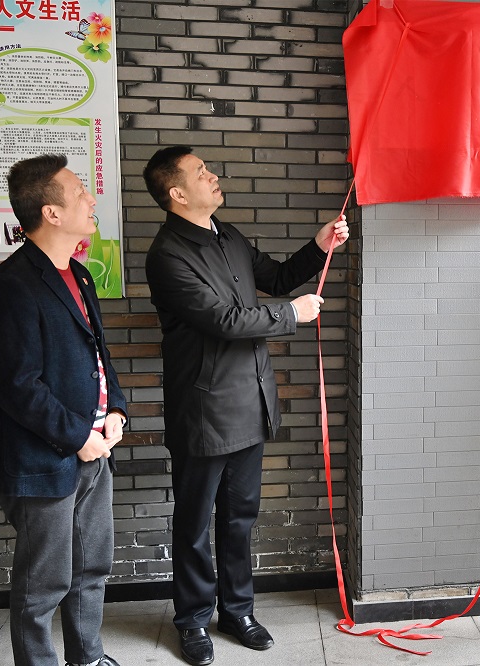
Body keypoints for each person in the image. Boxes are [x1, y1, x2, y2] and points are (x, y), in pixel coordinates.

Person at [143, 146, 349, 666]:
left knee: (239, 518)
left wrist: (319, 246)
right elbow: (224, 321)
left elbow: (275, 278)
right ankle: (192, 619)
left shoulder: (227, 235)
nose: (213, 176)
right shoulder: (168, 255)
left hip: (250, 403)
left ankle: (237, 611)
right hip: (204, 411)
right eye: (201, 172)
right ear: (177, 193)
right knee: (194, 524)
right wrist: (291, 315)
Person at [0, 154, 127, 666]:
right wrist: (78, 437)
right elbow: (18, 385)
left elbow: (98, 354)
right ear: (51, 212)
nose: (91, 198)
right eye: (80, 192)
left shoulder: (79, 274)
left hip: (95, 449)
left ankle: (87, 657)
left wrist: (116, 410)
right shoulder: (13, 284)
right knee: (42, 585)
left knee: (91, 570)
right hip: (46, 459)